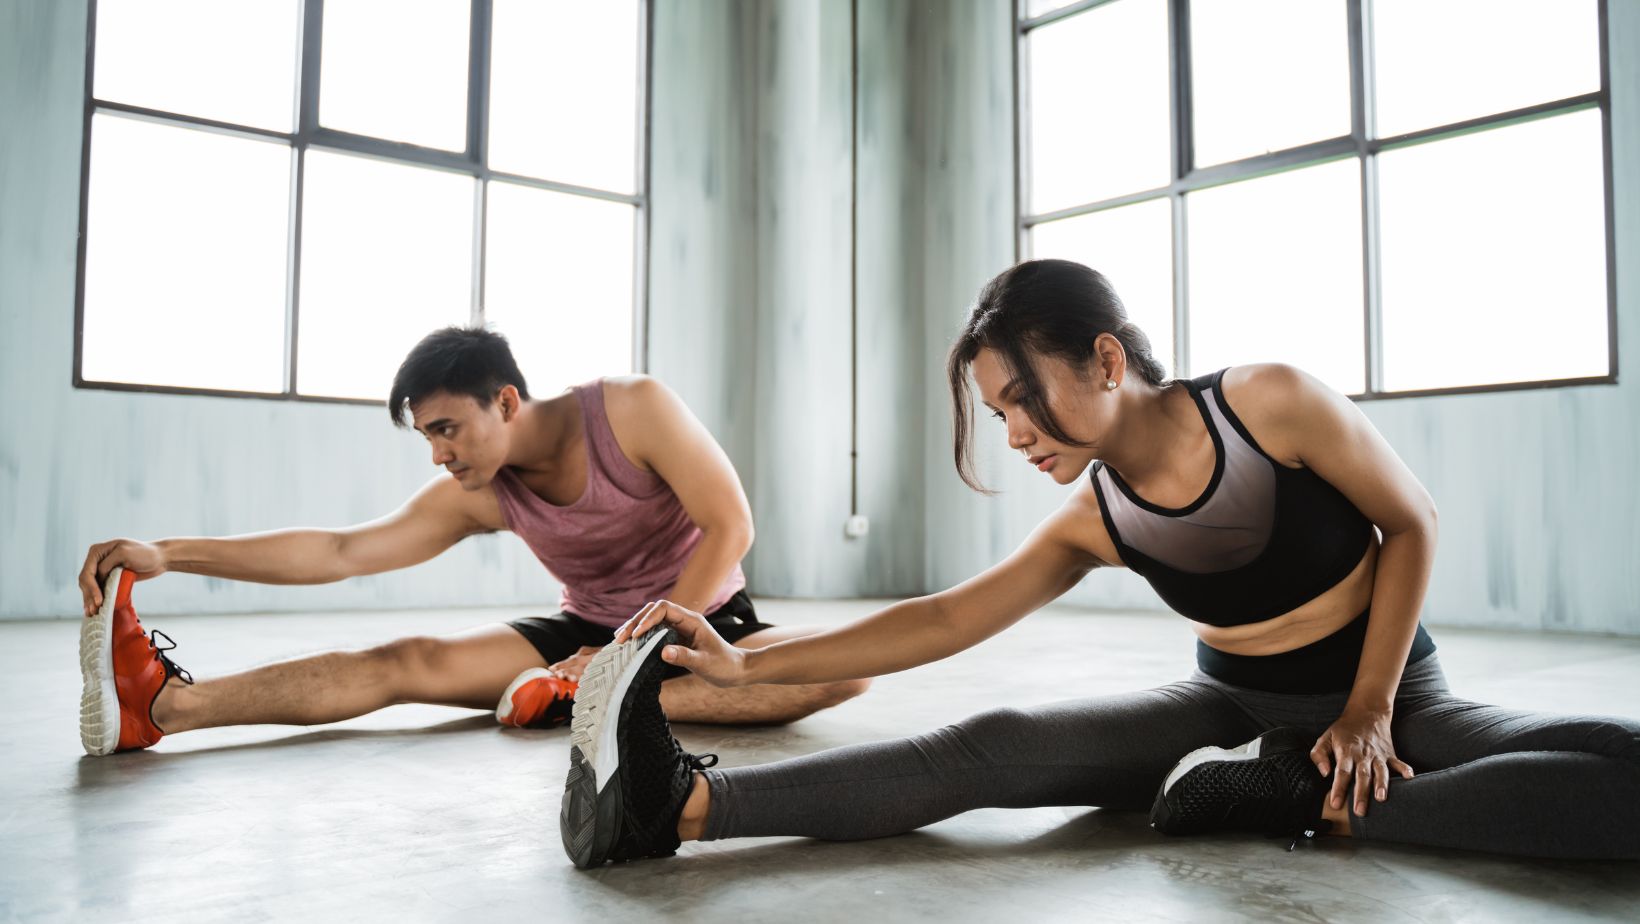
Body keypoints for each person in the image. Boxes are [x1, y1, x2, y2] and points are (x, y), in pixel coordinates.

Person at [557, 259, 1640, 866]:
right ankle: (678, 811)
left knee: (1624, 771)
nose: (1015, 435)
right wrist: (747, 667)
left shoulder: (1267, 403)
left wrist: (1361, 716)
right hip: (1224, 709)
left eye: (1022, 401)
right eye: (995, 416)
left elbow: (1412, 524)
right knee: (993, 744)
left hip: (1390, 696)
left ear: (1106, 360)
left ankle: (1302, 801)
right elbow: (940, 621)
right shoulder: (1096, 516)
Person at [76, 327, 868, 757]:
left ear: (507, 400)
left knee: (850, 672)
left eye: (448, 429)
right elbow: (342, 551)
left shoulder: (633, 409)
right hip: (583, 632)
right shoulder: (484, 492)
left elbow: (731, 525)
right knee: (404, 660)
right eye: (427, 436)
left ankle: (591, 697)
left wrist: (634, 653)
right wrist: (169, 553)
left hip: (700, 619)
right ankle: (167, 710)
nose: (439, 454)